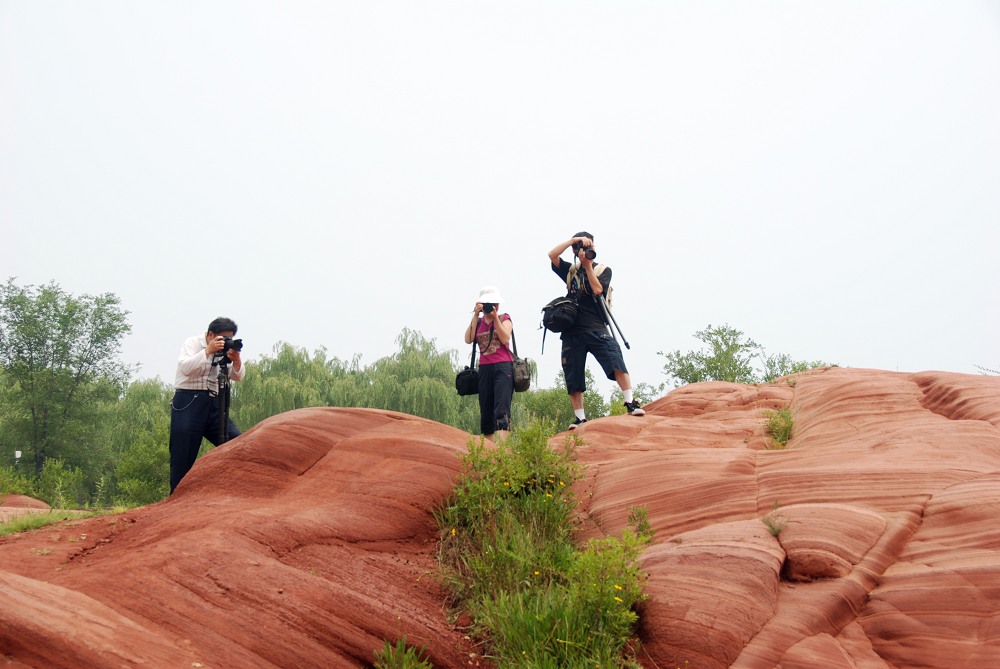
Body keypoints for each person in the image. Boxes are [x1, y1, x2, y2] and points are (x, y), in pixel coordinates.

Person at [548, 232, 645, 429]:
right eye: (579, 247)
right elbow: (552, 255)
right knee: (573, 376)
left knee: (615, 360)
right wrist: (572, 242)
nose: (582, 250)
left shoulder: (602, 269)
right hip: (571, 331)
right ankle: (580, 418)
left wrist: (587, 266)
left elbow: (598, 290)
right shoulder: (570, 270)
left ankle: (630, 402)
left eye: (586, 246)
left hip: (595, 326)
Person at [169, 317, 245, 493]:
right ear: (211, 335)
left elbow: (238, 376)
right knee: (183, 453)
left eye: (229, 339)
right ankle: (177, 498)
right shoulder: (193, 343)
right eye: (222, 338)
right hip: (188, 401)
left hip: (215, 402)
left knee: (237, 443)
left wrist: (236, 360)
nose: (225, 342)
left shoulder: (227, 348)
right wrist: (208, 351)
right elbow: (185, 368)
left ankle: (231, 491)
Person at [464, 286, 515, 441]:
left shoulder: (504, 318)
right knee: (486, 411)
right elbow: (468, 339)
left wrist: (494, 319)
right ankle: (489, 450)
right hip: (485, 368)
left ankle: (502, 450)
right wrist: (475, 315)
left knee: (502, 409)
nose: (491, 306)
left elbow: (505, 338)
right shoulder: (478, 322)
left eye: (493, 303)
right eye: (487, 303)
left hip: (503, 367)